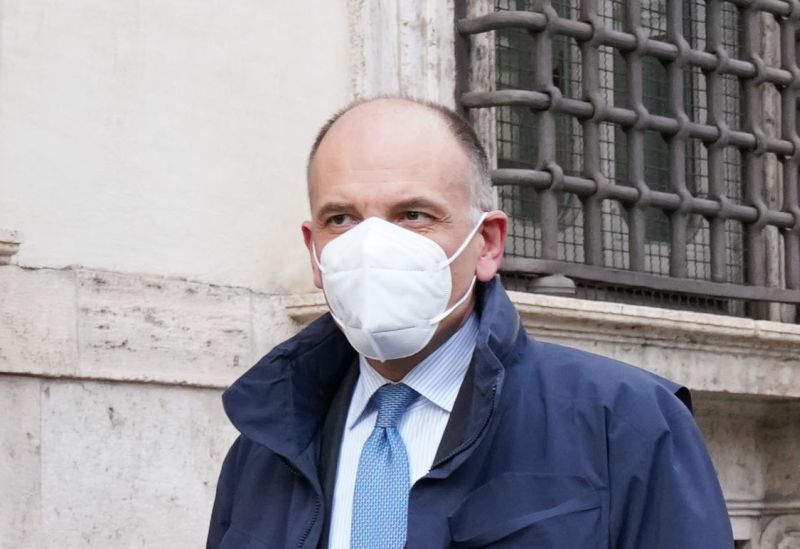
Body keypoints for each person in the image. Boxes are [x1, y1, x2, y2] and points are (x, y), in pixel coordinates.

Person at [206, 97, 733, 549]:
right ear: (314, 251)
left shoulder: (627, 424)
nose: (371, 246)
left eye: (413, 215)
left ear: (488, 243)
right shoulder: (264, 448)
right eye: (341, 219)